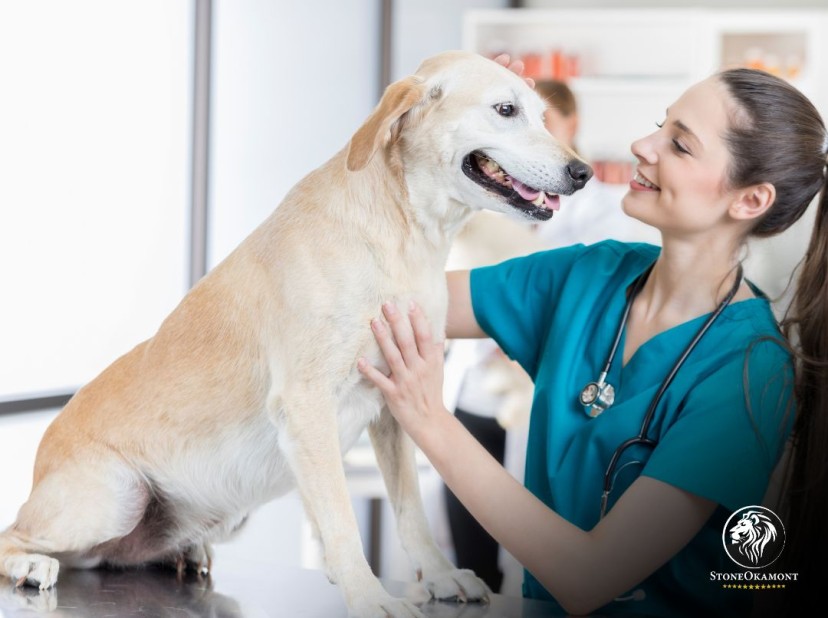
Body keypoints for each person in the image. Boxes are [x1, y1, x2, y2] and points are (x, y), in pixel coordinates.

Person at [357, 63, 828, 617]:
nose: (642, 144)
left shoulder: (749, 369)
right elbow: (384, 304)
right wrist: (458, 123)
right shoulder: (592, 275)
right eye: (660, 124)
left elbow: (589, 578)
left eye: (678, 144)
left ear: (749, 201)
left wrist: (429, 420)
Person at [440, 78, 658, 596]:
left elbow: (591, 575)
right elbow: (425, 290)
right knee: (470, 552)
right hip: (474, 388)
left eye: (544, 125)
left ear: (572, 127)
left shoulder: (610, 228)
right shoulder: (479, 194)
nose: (529, 144)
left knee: (537, 554)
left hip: (545, 393)